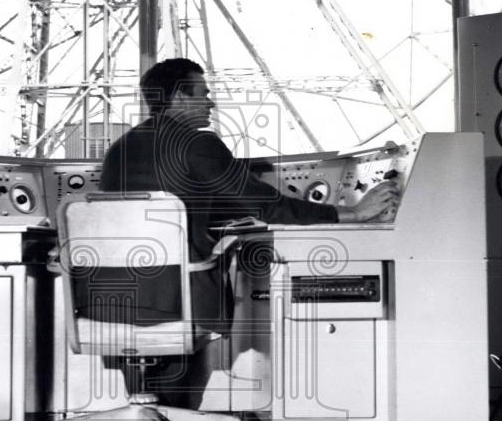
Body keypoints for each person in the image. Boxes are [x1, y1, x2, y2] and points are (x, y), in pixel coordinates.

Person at [100, 58, 398, 333]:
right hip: (176, 303)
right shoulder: (198, 143)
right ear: (179, 97)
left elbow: (174, 208)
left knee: (153, 376)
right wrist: (355, 213)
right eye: (202, 94)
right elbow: (271, 208)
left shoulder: (118, 150)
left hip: (111, 302)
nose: (211, 103)